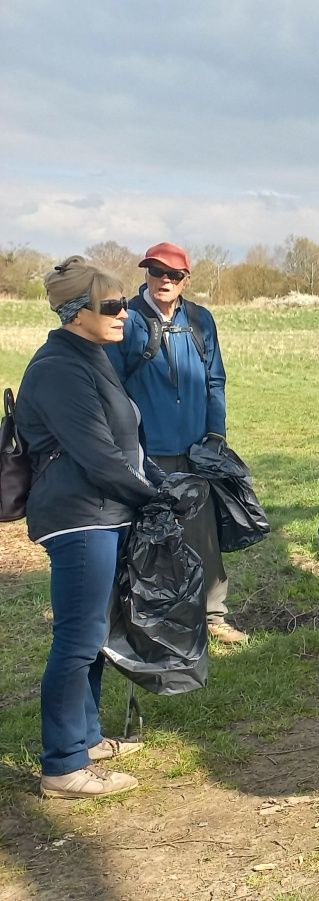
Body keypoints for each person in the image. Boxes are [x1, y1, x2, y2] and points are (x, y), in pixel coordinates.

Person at [17, 258, 163, 798]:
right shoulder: (57, 367)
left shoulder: (89, 354)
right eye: (113, 305)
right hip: (80, 519)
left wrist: (155, 483)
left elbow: (124, 441)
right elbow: (98, 454)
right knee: (78, 639)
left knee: (96, 635)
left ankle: (87, 739)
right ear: (77, 313)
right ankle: (62, 766)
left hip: (105, 512)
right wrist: (152, 496)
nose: (125, 313)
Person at [110, 242, 246, 643]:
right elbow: (111, 386)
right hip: (147, 453)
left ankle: (213, 615)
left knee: (203, 535)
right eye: (156, 272)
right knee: (150, 538)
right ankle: (152, 619)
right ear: (146, 274)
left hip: (196, 450)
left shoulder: (201, 320)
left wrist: (216, 434)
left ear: (186, 279)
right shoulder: (128, 320)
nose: (164, 280)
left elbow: (215, 379)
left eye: (173, 274)